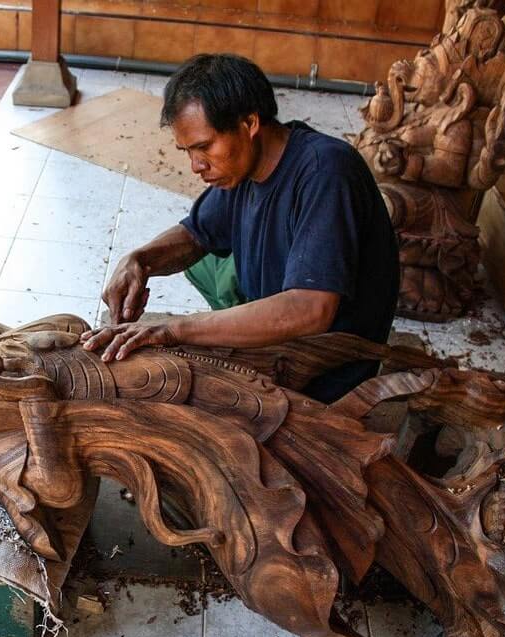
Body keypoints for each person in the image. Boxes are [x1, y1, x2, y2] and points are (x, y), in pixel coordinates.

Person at [80, 53, 399, 402]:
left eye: (204, 147)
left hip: (319, 371)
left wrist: (176, 329)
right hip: (278, 344)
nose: (196, 165)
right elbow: (195, 234)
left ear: (249, 124)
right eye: (187, 151)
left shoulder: (326, 172)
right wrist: (140, 260)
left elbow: (310, 309)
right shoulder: (243, 168)